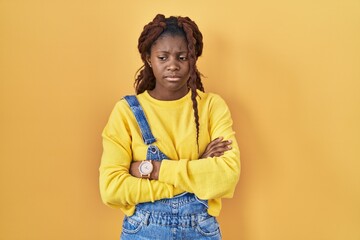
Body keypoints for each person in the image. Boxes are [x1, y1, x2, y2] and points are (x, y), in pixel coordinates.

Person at [99, 14, 241, 240]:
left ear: (193, 59)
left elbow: (226, 177)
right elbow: (112, 189)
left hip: (201, 231)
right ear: (148, 58)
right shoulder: (126, 113)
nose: (172, 65)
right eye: (163, 57)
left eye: (182, 57)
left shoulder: (212, 107)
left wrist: (152, 170)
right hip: (143, 231)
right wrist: (195, 172)